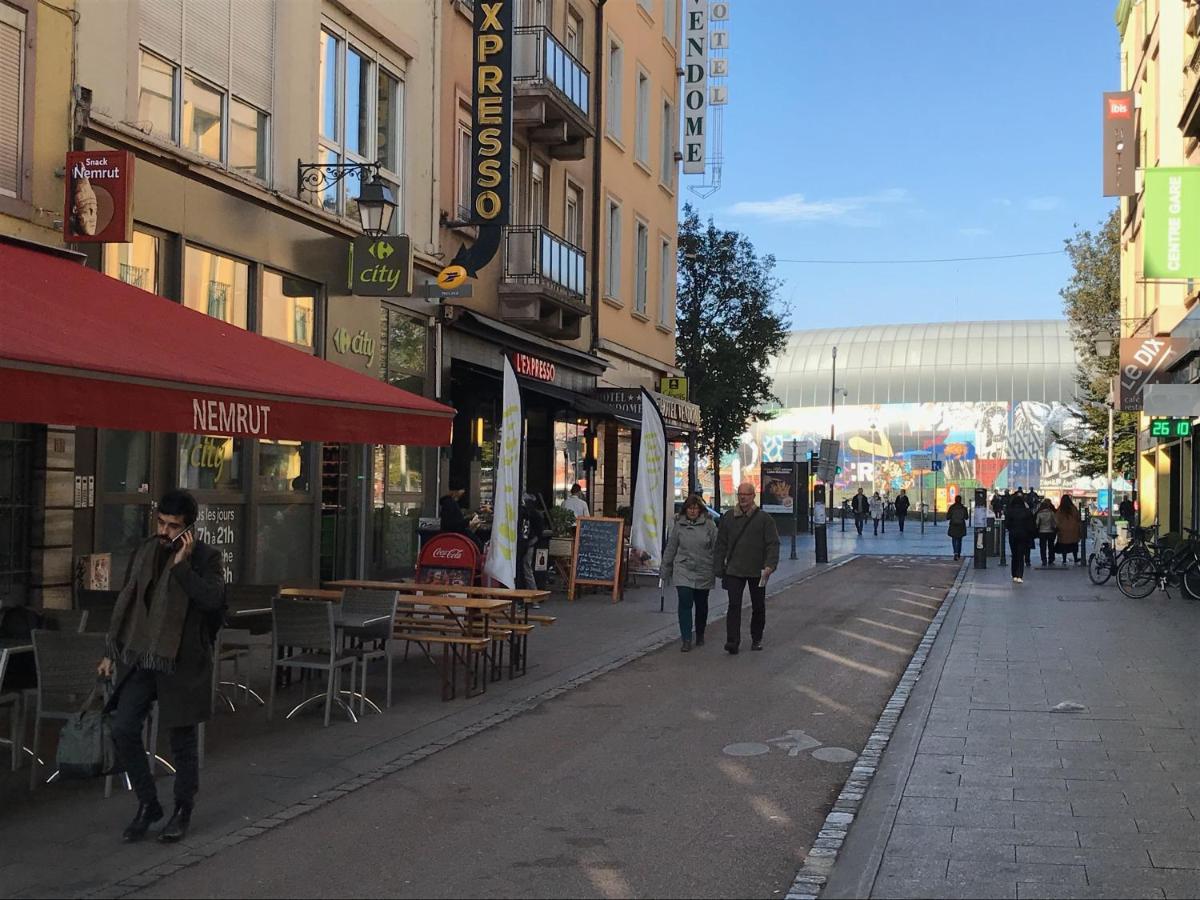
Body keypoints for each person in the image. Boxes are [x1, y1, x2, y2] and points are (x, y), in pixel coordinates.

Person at [97, 489, 225, 844]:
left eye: (174, 527)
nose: (166, 532)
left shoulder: (206, 558)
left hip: (182, 660)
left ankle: (182, 810)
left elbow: (213, 600)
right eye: (162, 523)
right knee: (123, 727)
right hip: (143, 656)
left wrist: (183, 566)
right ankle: (147, 803)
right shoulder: (145, 551)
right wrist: (112, 651)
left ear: (189, 529)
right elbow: (128, 599)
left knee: (181, 739)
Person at [714, 482, 780, 654]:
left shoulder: (765, 519)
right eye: (740, 494)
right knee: (734, 605)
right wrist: (719, 567)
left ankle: (756, 638)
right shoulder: (728, 517)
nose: (743, 497)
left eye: (746, 494)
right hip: (734, 570)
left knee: (758, 606)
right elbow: (721, 544)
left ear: (753, 496)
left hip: (758, 571)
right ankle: (732, 641)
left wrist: (770, 565)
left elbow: (773, 544)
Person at [662, 494, 718, 652]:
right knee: (685, 601)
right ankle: (686, 638)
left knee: (701, 604)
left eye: (695, 508)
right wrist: (665, 568)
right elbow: (671, 547)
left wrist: (719, 565)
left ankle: (700, 633)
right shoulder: (679, 526)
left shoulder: (709, 525)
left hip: (703, 568)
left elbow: (717, 547)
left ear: (700, 510)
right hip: (683, 568)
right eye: (690, 508)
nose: (692, 511)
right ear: (685, 510)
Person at [1005, 492, 1036, 583]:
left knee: (1014, 555)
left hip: (1013, 535)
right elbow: (1031, 525)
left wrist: (1011, 529)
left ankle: (1014, 574)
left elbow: (1007, 524)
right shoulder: (1027, 512)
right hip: (1024, 535)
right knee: (1021, 555)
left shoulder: (1010, 511)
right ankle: (1019, 575)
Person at [518, 493, 545, 592]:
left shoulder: (525, 513)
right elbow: (539, 532)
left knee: (525, 568)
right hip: (530, 542)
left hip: (526, 542)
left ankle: (533, 593)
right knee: (527, 568)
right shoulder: (535, 514)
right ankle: (534, 594)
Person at [1055, 495, 1082, 566]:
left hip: (1063, 530)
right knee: (1074, 545)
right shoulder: (1073, 508)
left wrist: (1059, 527)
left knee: (1064, 545)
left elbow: (1056, 519)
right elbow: (1078, 517)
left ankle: (1064, 560)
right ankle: (1075, 558)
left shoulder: (1060, 509)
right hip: (1073, 529)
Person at [1035, 498, 1058, 567]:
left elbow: (1037, 523)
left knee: (1043, 547)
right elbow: (1055, 522)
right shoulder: (1051, 513)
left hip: (1042, 531)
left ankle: (1044, 560)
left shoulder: (1039, 513)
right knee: (1051, 546)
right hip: (1050, 531)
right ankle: (1051, 559)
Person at [946, 496, 968, 560]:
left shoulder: (952, 508)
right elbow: (966, 517)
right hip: (961, 525)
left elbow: (948, 517)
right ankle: (958, 553)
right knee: (959, 539)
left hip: (953, 525)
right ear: (961, 500)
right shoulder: (963, 508)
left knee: (954, 539)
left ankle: (955, 552)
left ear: (955, 500)